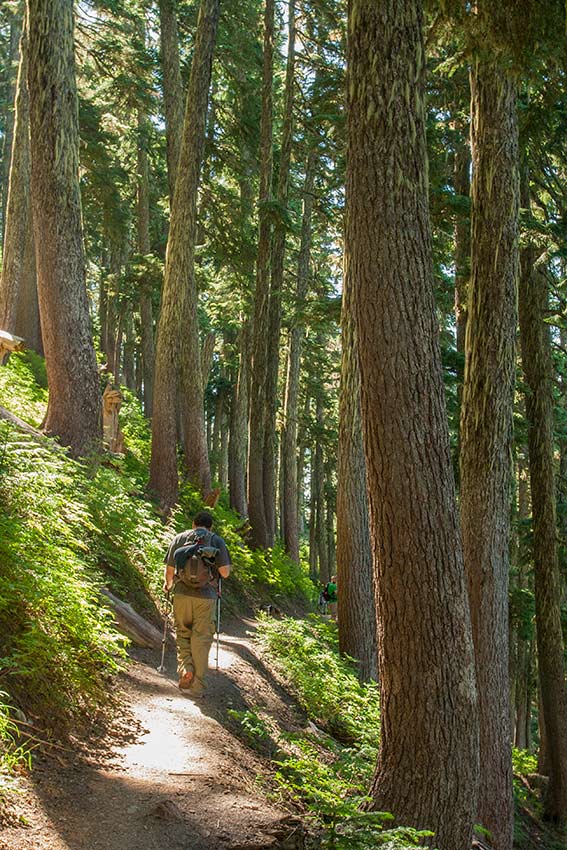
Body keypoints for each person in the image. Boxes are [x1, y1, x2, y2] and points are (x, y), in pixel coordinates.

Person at [163, 510, 231, 696]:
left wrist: (168, 586)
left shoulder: (179, 538)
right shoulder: (216, 541)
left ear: (194, 524)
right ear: (210, 527)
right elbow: (224, 573)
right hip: (206, 596)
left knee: (183, 633)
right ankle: (198, 686)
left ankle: (186, 669)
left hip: (182, 594)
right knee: (201, 639)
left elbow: (169, 570)